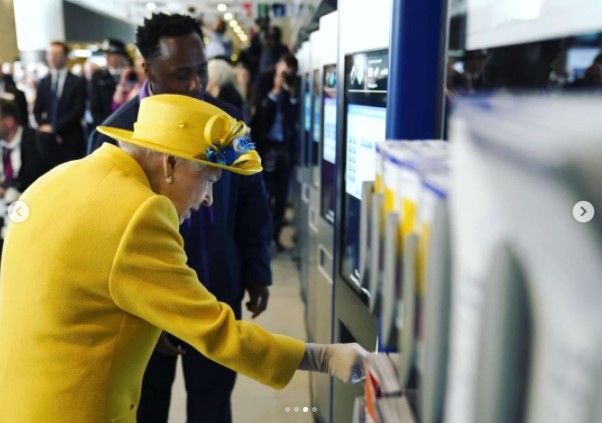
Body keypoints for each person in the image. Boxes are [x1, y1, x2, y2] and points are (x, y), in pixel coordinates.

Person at [0, 93, 367, 422]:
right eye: (209, 179)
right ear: (170, 164)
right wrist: (322, 357)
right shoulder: (139, 214)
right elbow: (215, 330)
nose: (208, 199)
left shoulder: (62, 177)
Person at [87, 13, 274, 423]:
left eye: (201, 70)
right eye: (180, 73)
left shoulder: (224, 125)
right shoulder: (117, 133)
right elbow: (99, 230)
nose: (195, 84)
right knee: (146, 406)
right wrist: (133, 310)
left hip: (216, 290)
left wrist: (258, 269)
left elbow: (250, 199)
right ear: (147, 70)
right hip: (144, 302)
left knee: (212, 406)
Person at [251, 53, 299, 252]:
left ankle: (276, 237)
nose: (286, 76)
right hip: (266, 146)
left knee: (281, 196)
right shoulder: (264, 79)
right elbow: (259, 114)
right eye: (284, 73)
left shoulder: (292, 85)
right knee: (266, 196)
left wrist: (291, 94)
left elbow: (294, 116)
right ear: (278, 67)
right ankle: (263, 240)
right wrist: (274, 91)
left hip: (284, 147)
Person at [33, 41, 87, 162]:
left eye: (56, 55)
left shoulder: (77, 82)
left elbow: (78, 112)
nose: (52, 58)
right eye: (50, 54)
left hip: (71, 139)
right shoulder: (44, 82)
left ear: (65, 57)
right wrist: (44, 126)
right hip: (48, 140)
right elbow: (37, 110)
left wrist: (55, 128)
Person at [90, 39, 130, 127]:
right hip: (106, 125)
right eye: (106, 54)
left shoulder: (132, 75)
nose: (107, 57)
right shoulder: (98, 76)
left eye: (111, 54)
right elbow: (95, 107)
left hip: (127, 125)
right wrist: (104, 126)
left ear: (121, 56)